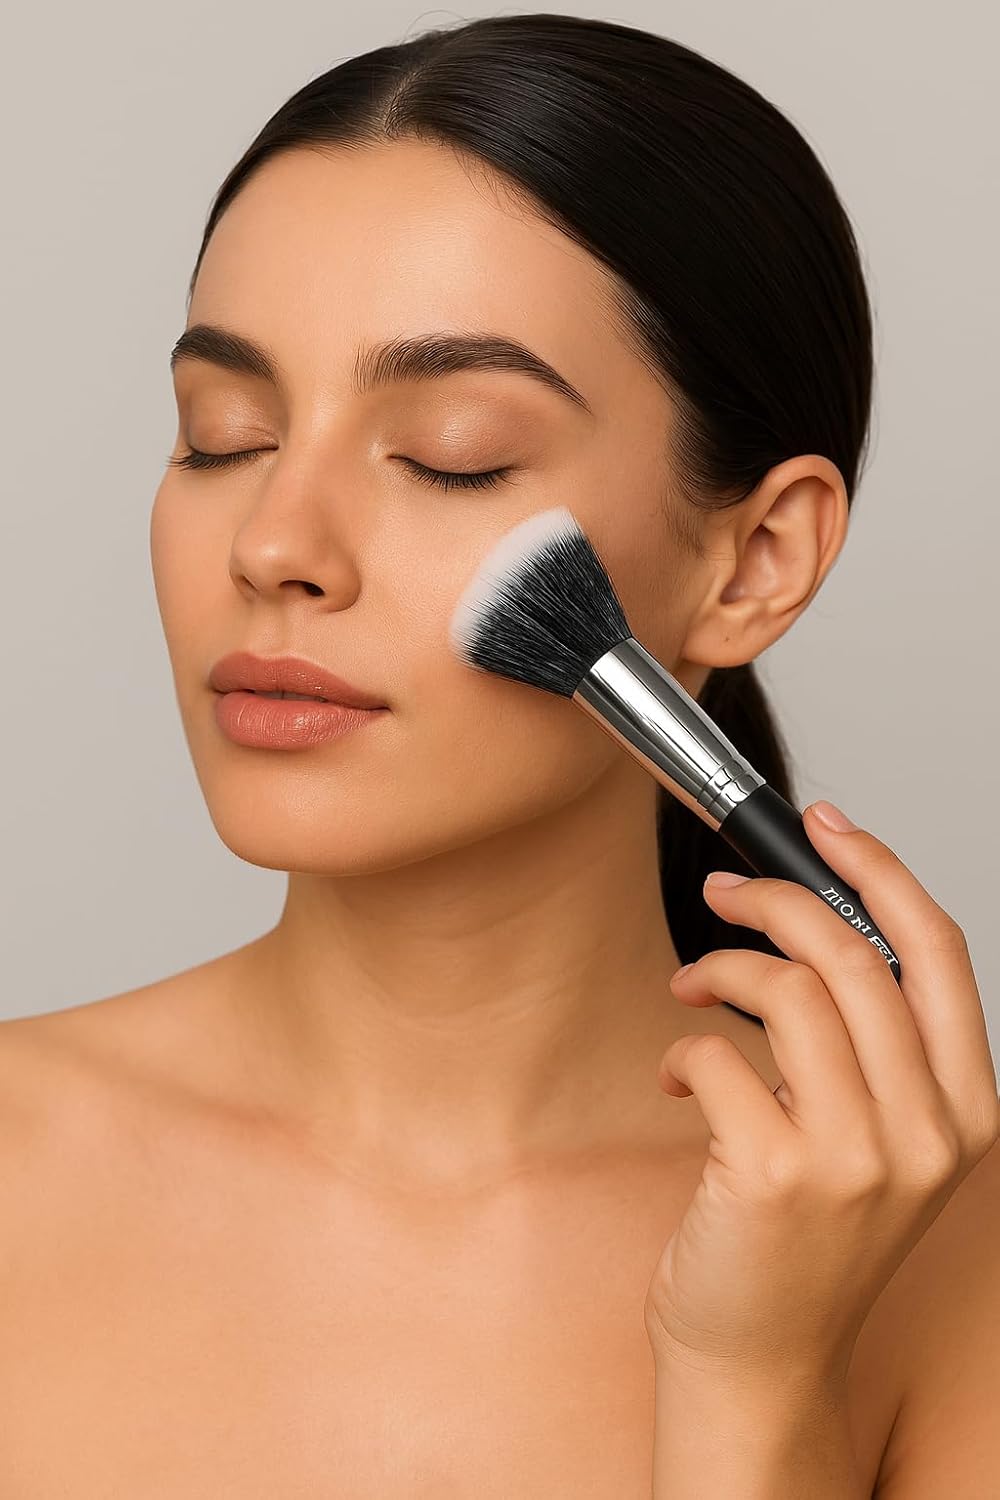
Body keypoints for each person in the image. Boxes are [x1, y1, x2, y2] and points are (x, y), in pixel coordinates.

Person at [2, 13, 996, 1494]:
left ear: (755, 561)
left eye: (451, 453)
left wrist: (752, 1382)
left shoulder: (945, 1261)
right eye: (222, 434)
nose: (276, 543)